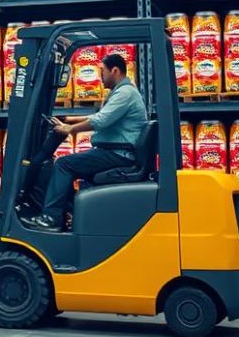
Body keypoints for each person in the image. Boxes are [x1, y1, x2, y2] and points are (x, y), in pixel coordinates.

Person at [23, 52, 147, 232]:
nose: (100, 76)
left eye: (103, 71)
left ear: (114, 70)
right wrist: (69, 120)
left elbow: (101, 120)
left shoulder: (125, 93)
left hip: (118, 154)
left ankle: (51, 218)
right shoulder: (122, 92)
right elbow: (98, 116)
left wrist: (69, 129)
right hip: (115, 152)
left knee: (64, 165)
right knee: (70, 167)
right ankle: (69, 214)